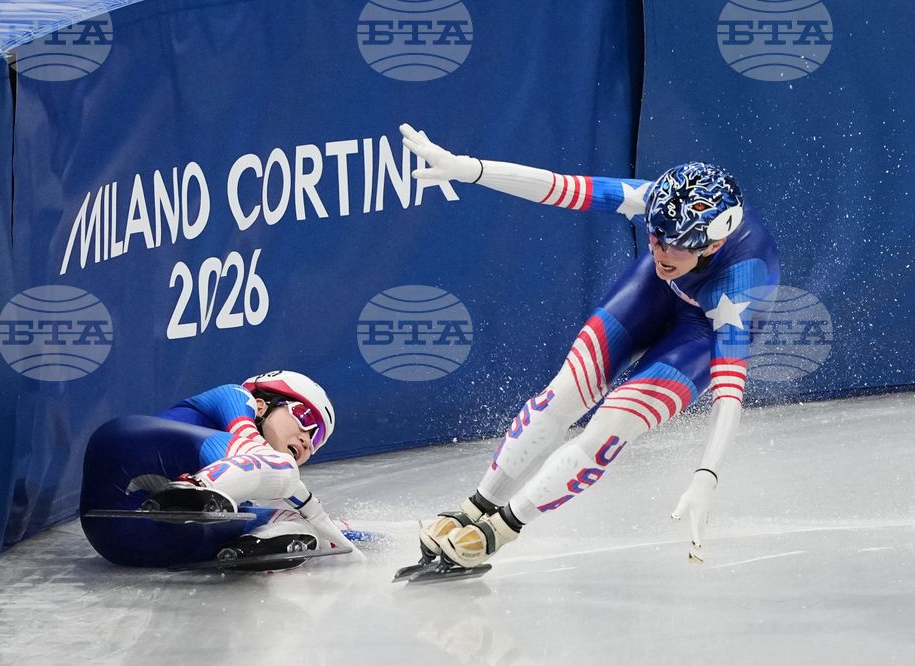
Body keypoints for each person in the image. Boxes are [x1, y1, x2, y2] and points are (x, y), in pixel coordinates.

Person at [399, 123, 780, 570]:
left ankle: (500, 529)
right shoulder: (662, 209)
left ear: (713, 244)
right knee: (563, 394)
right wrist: (471, 170)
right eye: (654, 234)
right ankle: (476, 506)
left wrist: (705, 476)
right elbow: (562, 189)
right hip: (657, 293)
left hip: (705, 328)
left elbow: (729, 392)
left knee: (609, 426)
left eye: (675, 246)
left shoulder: (741, 280)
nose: (660, 250)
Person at [79, 370, 357, 570]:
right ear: (262, 405)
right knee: (279, 472)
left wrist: (389, 538)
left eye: (317, 439)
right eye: (305, 417)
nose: (307, 440)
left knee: (299, 525)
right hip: (126, 453)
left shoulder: (246, 476)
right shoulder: (237, 397)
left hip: (126, 541)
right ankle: (194, 490)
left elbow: (330, 529)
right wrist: (281, 470)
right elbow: (245, 435)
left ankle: (249, 548)